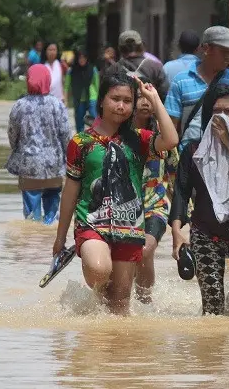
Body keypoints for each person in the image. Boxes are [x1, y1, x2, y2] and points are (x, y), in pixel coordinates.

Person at [52, 63, 179, 315]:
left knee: (120, 305)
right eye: (115, 99)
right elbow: (70, 192)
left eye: (127, 100)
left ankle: (113, 350)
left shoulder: (140, 140)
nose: (121, 106)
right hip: (91, 224)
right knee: (100, 269)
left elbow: (172, 140)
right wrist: (60, 237)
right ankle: (96, 298)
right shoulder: (81, 143)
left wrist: (154, 99)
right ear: (101, 101)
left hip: (129, 228)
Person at [169, 83, 229, 316]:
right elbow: (181, 191)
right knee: (213, 312)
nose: (222, 117)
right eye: (216, 111)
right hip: (204, 233)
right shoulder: (193, 151)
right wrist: (176, 232)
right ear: (207, 115)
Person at [165, 26, 229, 150]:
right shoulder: (180, 81)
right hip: (190, 159)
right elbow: (171, 124)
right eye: (224, 51)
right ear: (207, 49)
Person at [131, 77, 180, 304]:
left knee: (145, 248)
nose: (144, 101)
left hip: (156, 207)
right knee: (136, 257)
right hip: (125, 210)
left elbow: (175, 176)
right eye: (139, 96)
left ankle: (145, 302)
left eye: (149, 96)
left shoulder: (163, 135)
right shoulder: (118, 135)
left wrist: (182, 220)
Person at [5, 64, 71, 225]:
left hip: (29, 166)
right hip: (54, 166)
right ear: (47, 81)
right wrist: (68, 158)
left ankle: (31, 245)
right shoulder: (57, 105)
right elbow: (66, 135)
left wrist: (17, 150)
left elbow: (12, 134)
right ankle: (48, 242)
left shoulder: (20, 105)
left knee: (31, 219)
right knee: (52, 216)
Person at [118, 30, 169, 99]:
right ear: (141, 45)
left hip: (122, 108)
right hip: (150, 107)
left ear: (120, 48)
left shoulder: (113, 68)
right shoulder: (155, 67)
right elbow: (164, 94)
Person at [65, 50, 100, 132]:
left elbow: (96, 84)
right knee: (79, 120)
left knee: (94, 119)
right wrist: (66, 99)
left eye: (84, 58)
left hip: (92, 97)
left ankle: (98, 138)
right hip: (78, 98)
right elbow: (67, 86)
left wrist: (98, 97)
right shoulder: (71, 71)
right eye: (80, 58)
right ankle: (80, 141)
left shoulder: (92, 69)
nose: (82, 60)